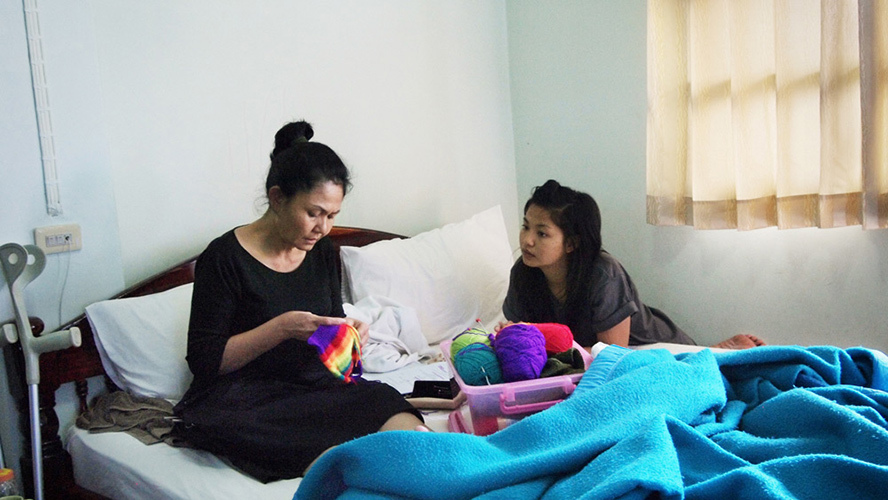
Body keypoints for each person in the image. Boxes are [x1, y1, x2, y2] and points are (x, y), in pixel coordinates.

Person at [173, 120, 427, 482]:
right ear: (278, 198)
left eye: (332, 216)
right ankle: (349, 469)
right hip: (243, 398)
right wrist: (281, 329)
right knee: (239, 423)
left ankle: (431, 466)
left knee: (381, 399)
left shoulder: (321, 251)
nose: (323, 228)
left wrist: (349, 335)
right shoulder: (224, 258)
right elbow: (205, 361)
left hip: (312, 386)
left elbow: (330, 327)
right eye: (314, 213)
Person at [500, 179, 765, 350]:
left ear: (571, 243)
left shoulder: (603, 274)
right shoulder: (523, 273)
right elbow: (520, 338)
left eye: (542, 233)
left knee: (684, 372)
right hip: (584, 357)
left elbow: (612, 355)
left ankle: (716, 353)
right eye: (525, 226)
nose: (527, 240)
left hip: (650, 347)